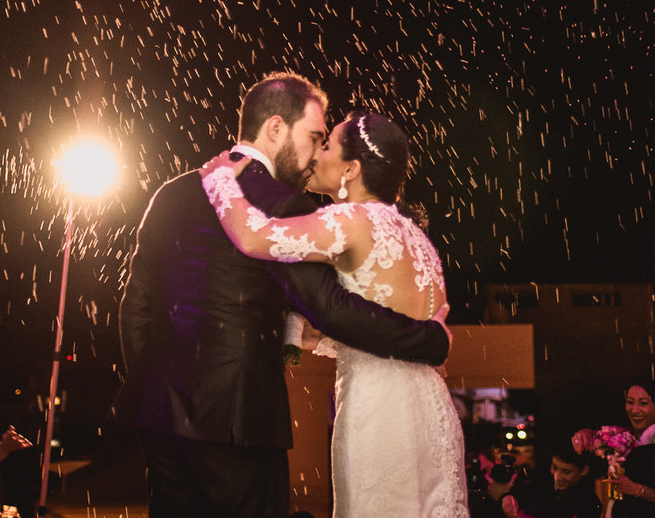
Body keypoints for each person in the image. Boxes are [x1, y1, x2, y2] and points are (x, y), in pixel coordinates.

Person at [114, 73, 451, 518]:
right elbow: (331, 308)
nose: (315, 155)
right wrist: (431, 340)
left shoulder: (172, 192)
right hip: (239, 421)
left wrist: (154, 386)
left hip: (157, 416)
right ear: (275, 128)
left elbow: (135, 306)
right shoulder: (286, 204)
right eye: (314, 137)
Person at [200, 109, 468, 517]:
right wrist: (315, 341)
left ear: (351, 169)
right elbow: (384, 327)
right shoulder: (417, 237)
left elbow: (254, 237)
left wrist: (219, 179)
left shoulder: (352, 219)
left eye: (327, 146)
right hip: (432, 410)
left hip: (379, 414)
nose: (317, 154)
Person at [570, 378, 655, 516]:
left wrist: (638, 490)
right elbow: (592, 437)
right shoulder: (620, 437)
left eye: (643, 403)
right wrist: (585, 433)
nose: (635, 410)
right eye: (630, 402)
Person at [497, 439, 601, 518]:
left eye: (566, 472)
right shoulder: (543, 482)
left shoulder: (589, 503)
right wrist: (507, 496)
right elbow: (518, 495)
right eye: (554, 467)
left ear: (584, 471)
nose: (557, 477)